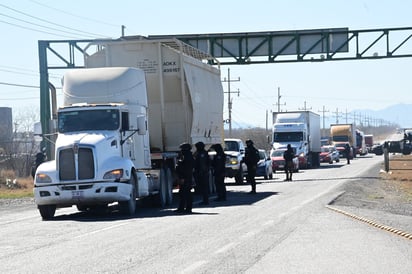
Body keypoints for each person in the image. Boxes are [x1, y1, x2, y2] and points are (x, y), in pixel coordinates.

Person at [175, 143, 195, 214]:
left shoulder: (188, 157)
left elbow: (186, 169)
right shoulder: (185, 156)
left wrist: (183, 178)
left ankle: (188, 208)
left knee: (186, 193)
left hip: (186, 178)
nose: (181, 150)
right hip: (185, 177)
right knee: (182, 193)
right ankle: (182, 208)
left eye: (182, 149)